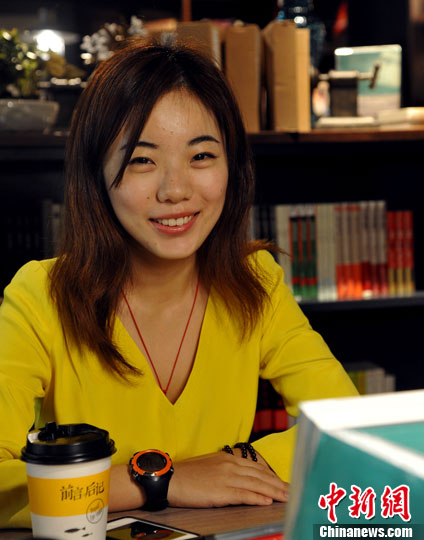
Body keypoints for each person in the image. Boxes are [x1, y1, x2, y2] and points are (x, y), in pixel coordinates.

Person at [0, 36, 357, 528]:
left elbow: (348, 430)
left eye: (202, 156)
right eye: (142, 160)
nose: (175, 190)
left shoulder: (255, 282)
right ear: (95, 171)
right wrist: (162, 479)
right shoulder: (41, 295)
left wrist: (235, 468)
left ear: (232, 165)